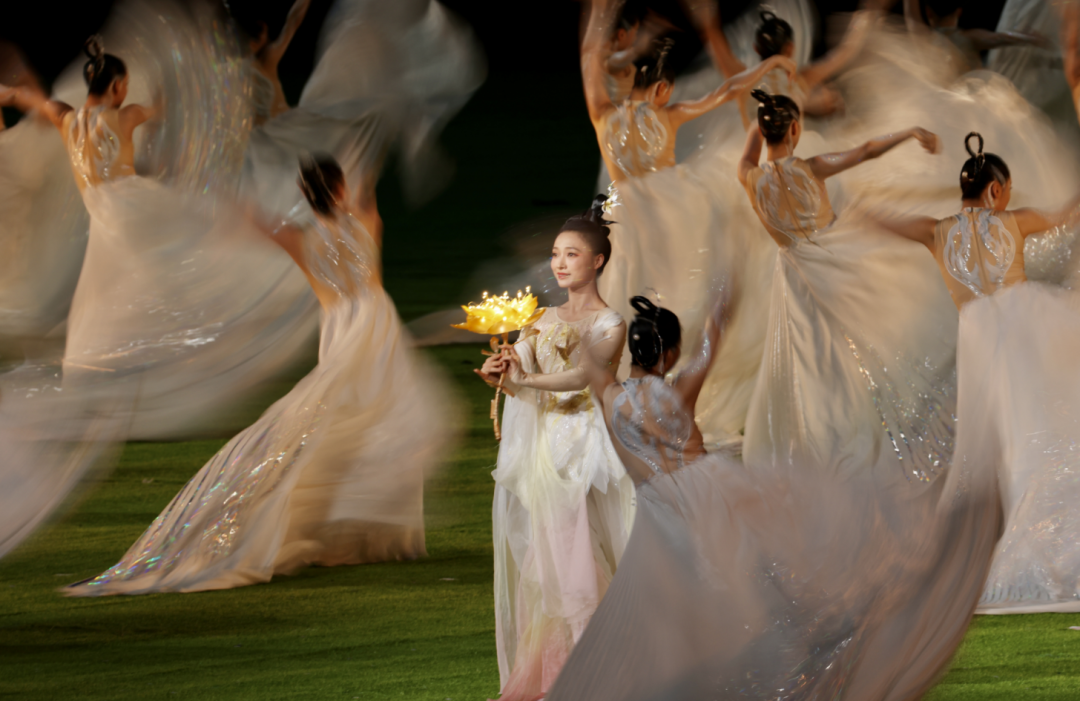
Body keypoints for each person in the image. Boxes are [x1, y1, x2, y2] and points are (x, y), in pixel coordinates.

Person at [544, 295, 1001, 700]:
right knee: (778, 578)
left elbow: (589, 359)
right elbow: (712, 341)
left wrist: (577, 330)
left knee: (700, 611)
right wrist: (722, 300)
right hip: (715, 497)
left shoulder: (609, 397)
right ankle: (821, 651)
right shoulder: (679, 391)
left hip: (660, 518)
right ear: (671, 353)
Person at [66, 154, 449, 595]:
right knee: (385, 419)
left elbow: (253, 221)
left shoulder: (300, 237)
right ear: (340, 189)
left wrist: (211, 194)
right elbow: (365, 188)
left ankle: (344, 528)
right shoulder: (367, 222)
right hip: (377, 329)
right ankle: (373, 533)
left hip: (342, 330)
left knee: (338, 421)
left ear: (305, 194)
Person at [874, 133, 1080, 613]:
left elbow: (884, 221)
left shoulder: (935, 231)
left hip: (985, 351)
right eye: (1006, 190)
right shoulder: (1013, 221)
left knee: (1015, 441)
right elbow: (1064, 215)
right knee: (1048, 428)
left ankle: (1027, 522)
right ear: (995, 189)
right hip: (1027, 333)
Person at [735, 89, 958, 483]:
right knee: (868, 339)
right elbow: (867, 150)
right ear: (795, 129)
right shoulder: (812, 167)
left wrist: (761, 119)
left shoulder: (749, 177)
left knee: (814, 359)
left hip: (795, 276)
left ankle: (826, 431)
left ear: (767, 130)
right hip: (836, 262)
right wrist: (909, 132)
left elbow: (750, 150)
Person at [475, 198, 634, 701]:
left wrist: (526, 379)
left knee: (579, 555)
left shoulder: (610, 323)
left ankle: (594, 672)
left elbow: (583, 376)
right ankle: (562, 672)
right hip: (543, 453)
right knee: (551, 562)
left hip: (583, 448)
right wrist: (500, 372)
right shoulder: (540, 318)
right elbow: (520, 370)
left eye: (571, 254)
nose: (559, 263)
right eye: (555, 254)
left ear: (598, 261)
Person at [904, 0, 1048, 73]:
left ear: (928, 12)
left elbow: (911, 17)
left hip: (936, 107)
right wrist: (1031, 38)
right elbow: (1000, 38)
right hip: (969, 107)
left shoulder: (922, 39)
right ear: (959, 12)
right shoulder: (967, 38)